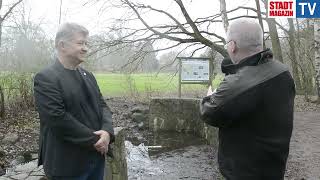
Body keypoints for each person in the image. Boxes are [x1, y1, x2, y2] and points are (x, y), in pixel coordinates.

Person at [200, 19, 295, 180]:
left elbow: (208, 111)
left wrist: (210, 95)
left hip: (244, 173)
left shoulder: (237, 84)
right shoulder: (283, 72)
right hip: (274, 167)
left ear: (232, 46)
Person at [33, 23, 114, 180]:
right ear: (62, 45)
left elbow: (102, 106)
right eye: (80, 43)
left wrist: (107, 132)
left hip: (96, 159)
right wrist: (98, 140)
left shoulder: (88, 75)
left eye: (86, 44)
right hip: (67, 165)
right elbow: (57, 119)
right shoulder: (46, 78)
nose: (85, 48)